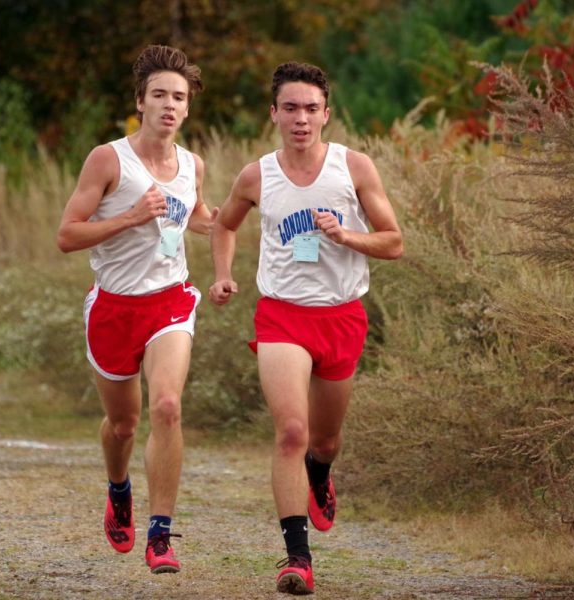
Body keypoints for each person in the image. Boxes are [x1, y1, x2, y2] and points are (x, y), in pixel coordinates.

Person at [208, 61, 403, 595]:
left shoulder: (354, 168)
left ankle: (320, 473)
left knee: (325, 438)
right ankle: (297, 558)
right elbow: (224, 225)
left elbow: (394, 241)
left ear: (326, 114)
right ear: (273, 113)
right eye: (290, 108)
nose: (301, 118)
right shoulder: (256, 175)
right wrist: (223, 275)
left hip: (341, 316)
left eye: (311, 108)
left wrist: (346, 237)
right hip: (282, 315)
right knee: (291, 430)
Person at [56, 44, 215, 576]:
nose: (170, 105)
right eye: (159, 95)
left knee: (167, 406)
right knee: (123, 425)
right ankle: (118, 488)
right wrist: (127, 217)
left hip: (171, 300)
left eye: (179, 97)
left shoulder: (193, 164)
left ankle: (161, 534)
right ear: (140, 102)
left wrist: (237, 215)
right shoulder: (108, 159)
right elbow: (67, 235)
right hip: (114, 308)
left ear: (188, 108)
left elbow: (198, 217)